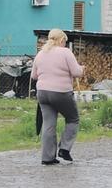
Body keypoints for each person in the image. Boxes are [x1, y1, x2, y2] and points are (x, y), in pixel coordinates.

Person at [30, 28, 85, 165]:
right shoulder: (65, 52)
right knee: (73, 119)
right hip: (61, 93)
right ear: (61, 40)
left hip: (42, 93)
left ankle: (47, 158)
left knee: (48, 124)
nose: (65, 44)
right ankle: (64, 149)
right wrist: (82, 69)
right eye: (65, 41)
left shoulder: (41, 53)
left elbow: (33, 76)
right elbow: (76, 72)